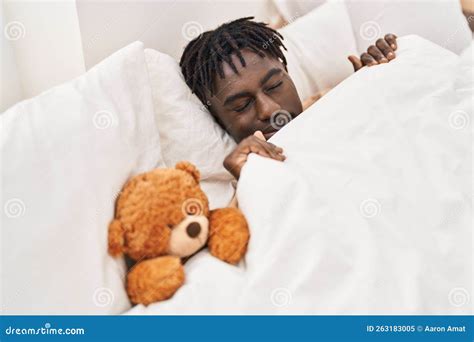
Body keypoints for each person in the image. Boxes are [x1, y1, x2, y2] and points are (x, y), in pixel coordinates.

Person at [180, 17, 397, 180]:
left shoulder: (335, 100)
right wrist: (247, 179)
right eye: (242, 105)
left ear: (287, 73)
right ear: (218, 120)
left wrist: (377, 83)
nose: (269, 110)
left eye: (274, 86)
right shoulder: (236, 178)